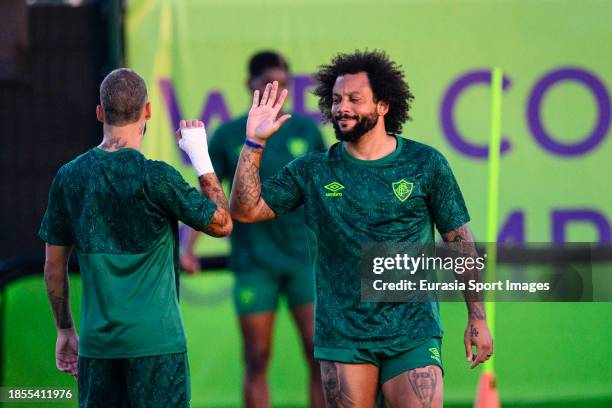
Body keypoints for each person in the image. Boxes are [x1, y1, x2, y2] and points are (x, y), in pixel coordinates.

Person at [229, 50, 494, 407]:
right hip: (343, 337)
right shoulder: (314, 170)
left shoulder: (425, 163)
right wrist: (254, 142)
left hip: (412, 332)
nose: (342, 107)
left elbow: (460, 241)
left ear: (383, 105)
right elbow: (245, 211)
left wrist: (477, 317)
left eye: (355, 99)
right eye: (336, 99)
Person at [39, 68, 232, 408]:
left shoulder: (69, 177)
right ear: (148, 111)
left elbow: (54, 268)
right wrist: (200, 156)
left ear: (100, 112)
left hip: (98, 350)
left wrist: (66, 331)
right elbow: (222, 223)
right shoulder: (157, 177)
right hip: (157, 347)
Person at [181, 51, 326, 408]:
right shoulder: (230, 134)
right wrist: (188, 248)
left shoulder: (306, 131)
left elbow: (325, 193)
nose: (278, 92)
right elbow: (209, 192)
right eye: (268, 85)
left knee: (318, 355)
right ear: (250, 85)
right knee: (257, 357)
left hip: (302, 261)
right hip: (254, 263)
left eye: (285, 85)